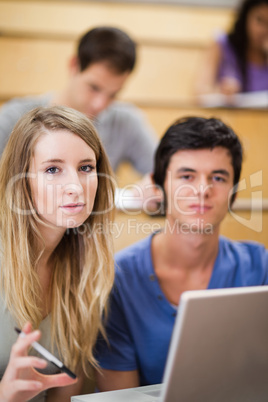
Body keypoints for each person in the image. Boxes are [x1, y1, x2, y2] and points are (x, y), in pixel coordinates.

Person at [95, 116, 268, 391]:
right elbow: (120, 397)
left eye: (219, 177)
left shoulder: (259, 267)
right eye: (187, 176)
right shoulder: (118, 280)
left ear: (234, 193)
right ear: (158, 186)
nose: (202, 190)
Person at [0, 105, 115, 401]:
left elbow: (65, 390)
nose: (75, 187)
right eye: (53, 169)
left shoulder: (87, 268)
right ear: (21, 180)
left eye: (86, 168)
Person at [0, 26, 157, 177]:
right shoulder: (13, 118)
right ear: (74, 65)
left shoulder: (126, 122)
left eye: (113, 94)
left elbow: (163, 173)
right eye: (94, 88)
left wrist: (151, 185)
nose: (100, 104)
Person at [195, 0, 268, 97]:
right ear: (246, 16)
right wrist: (221, 92)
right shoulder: (222, 45)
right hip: (227, 112)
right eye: (259, 20)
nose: (263, 30)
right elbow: (198, 92)